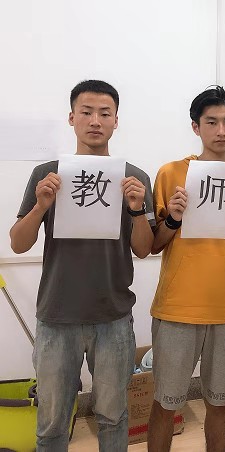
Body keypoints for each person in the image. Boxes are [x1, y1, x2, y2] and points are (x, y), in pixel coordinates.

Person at [9, 80, 155, 452]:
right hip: (57, 316)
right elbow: (18, 243)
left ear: (116, 121)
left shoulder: (135, 178)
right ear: (72, 118)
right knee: (52, 423)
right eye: (86, 112)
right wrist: (41, 206)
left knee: (113, 418)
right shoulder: (48, 174)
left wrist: (137, 209)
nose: (95, 121)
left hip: (113, 317)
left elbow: (144, 249)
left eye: (104, 113)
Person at [146, 86, 225, 452]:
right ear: (196, 127)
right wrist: (174, 218)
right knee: (166, 403)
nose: (221, 131)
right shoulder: (171, 174)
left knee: (221, 403)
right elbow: (154, 244)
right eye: (211, 122)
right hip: (176, 307)